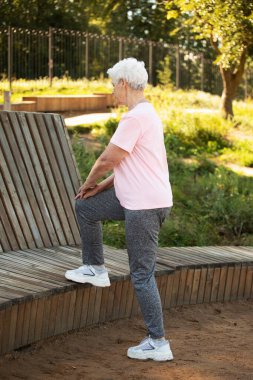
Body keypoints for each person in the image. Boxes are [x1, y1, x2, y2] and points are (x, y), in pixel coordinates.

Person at [65, 58, 173, 362]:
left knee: (141, 274)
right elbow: (130, 162)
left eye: (114, 86)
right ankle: (95, 267)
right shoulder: (147, 113)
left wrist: (88, 181)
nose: (113, 92)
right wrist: (99, 189)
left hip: (144, 207)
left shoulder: (135, 118)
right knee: (85, 207)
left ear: (124, 84)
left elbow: (105, 160)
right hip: (141, 198)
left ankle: (158, 341)